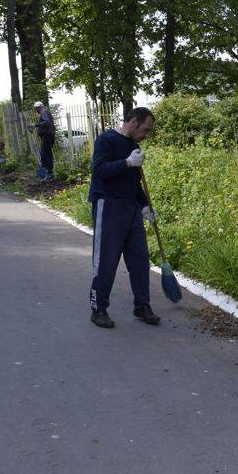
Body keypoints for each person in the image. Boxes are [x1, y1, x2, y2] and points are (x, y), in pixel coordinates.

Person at [88, 107, 160, 329]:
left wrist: (145, 206)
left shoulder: (134, 147)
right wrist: (127, 162)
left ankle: (142, 305)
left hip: (131, 209)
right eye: (146, 129)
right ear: (133, 122)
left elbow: (135, 183)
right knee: (106, 261)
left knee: (140, 259)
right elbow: (99, 170)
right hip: (108, 205)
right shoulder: (106, 140)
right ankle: (98, 309)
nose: (146, 135)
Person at [34, 101, 55, 180]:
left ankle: (49, 173)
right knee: (46, 154)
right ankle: (48, 173)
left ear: (40, 108)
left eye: (37, 109)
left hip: (47, 136)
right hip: (48, 136)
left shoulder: (44, 113)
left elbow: (47, 122)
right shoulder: (46, 113)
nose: (36, 110)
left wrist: (36, 125)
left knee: (45, 154)